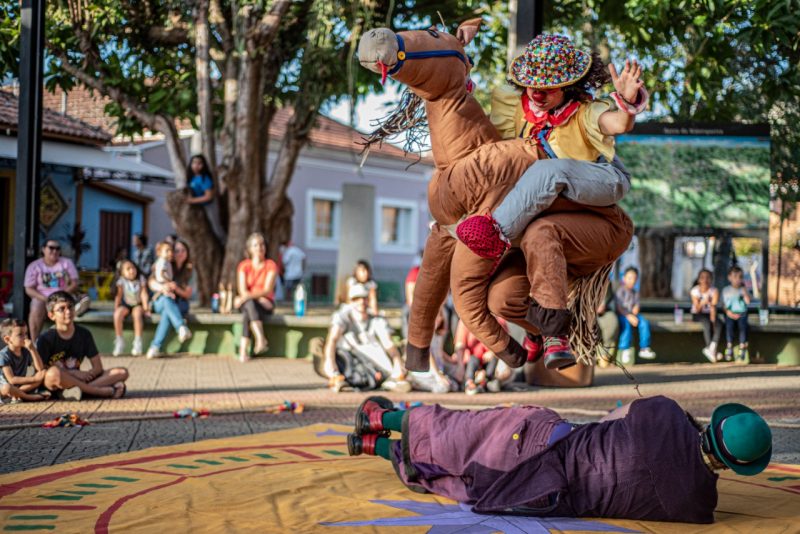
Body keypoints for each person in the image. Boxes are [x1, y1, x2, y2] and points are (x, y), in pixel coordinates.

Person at [450, 31, 645, 367]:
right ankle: (544, 333)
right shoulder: (518, 114)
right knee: (502, 299)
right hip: (554, 216)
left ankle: (495, 233)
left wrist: (626, 104)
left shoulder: (584, 112)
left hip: (602, 195)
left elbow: (616, 123)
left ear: (568, 85)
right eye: (532, 84)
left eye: (549, 86)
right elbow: (487, 141)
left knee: (549, 172)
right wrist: (456, 75)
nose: (538, 93)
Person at [347, 395, 772, 524]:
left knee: (454, 432)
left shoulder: (664, 414)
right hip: (535, 495)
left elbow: (614, 416)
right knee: (455, 479)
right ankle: (373, 447)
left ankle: (379, 417)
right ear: (735, 464)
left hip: (538, 442)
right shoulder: (698, 507)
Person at [37, 292, 128, 401]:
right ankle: (99, 391)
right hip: (58, 382)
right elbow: (41, 371)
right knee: (52, 373)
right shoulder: (45, 338)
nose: (68, 311)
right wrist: (74, 373)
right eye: (61, 309)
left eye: (70, 307)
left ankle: (79, 392)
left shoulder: (84, 334)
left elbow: (98, 367)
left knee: (121, 372)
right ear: (51, 315)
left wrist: (88, 374)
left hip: (81, 380)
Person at [322, 284, 410, 393]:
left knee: (404, 352)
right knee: (320, 346)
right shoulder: (342, 316)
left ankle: (389, 380)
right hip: (348, 360)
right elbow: (332, 339)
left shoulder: (377, 319)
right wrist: (330, 364)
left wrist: (397, 363)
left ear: (369, 300)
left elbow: (388, 344)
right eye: (356, 298)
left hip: (373, 362)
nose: (361, 302)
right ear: (350, 301)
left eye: (364, 298)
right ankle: (337, 378)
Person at [24, 239, 90, 341]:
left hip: (63, 296)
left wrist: (60, 296)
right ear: (43, 249)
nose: (54, 251)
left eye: (57, 248)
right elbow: (28, 289)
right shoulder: (34, 266)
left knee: (73, 303)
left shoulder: (67, 263)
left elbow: (74, 283)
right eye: (51, 248)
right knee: (36, 304)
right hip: (42, 298)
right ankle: (34, 343)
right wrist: (46, 299)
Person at [236, 232, 278, 362]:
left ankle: (243, 351)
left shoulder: (271, 265)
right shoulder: (244, 266)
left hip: (265, 304)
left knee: (248, 310)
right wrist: (256, 298)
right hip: (253, 302)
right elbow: (242, 290)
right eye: (255, 245)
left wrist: (250, 297)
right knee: (250, 305)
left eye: (262, 244)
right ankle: (261, 338)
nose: (259, 247)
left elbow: (267, 289)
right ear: (249, 249)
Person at [146, 242, 192, 359]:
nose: (179, 253)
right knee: (167, 302)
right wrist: (163, 287)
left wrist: (175, 288)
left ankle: (155, 347)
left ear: (187, 253)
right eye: (176, 250)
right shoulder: (164, 264)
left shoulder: (189, 269)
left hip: (180, 302)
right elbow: (151, 282)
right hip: (161, 300)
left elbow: (187, 294)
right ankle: (181, 327)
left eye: (183, 250)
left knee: (168, 311)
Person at [0, 319, 50, 402]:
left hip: (18, 386)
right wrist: (34, 379)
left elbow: (40, 368)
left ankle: (17, 394)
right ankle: (28, 397)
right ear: (8, 339)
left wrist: (32, 349)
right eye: (20, 335)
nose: (25, 337)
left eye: (26, 333)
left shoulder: (25, 351)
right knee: (7, 387)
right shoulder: (3, 355)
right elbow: (11, 379)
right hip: (4, 387)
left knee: (42, 373)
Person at [615, 267, 656, 363]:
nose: (632, 281)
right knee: (626, 325)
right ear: (624, 278)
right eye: (629, 278)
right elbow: (619, 308)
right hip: (623, 315)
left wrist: (635, 312)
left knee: (644, 323)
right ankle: (625, 348)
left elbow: (636, 306)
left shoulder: (635, 293)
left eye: (634, 278)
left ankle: (644, 348)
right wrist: (629, 316)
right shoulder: (620, 291)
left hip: (633, 315)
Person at [112, 260, 150, 357]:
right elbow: (119, 295)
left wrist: (146, 308)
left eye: (133, 268)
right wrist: (116, 308)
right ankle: (119, 341)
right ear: (122, 272)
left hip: (137, 304)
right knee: (117, 315)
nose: (131, 271)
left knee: (137, 314)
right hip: (126, 304)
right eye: (128, 269)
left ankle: (138, 342)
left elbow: (143, 294)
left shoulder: (140, 279)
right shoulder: (121, 281)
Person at [184, 154, 226, 240]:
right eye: (194, 163)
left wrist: (192, 200)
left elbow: (209, 196)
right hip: (199, 206)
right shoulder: (191, 178)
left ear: (203, 165)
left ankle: (224, 242)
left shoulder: (205, 179)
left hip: (210, 205)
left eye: (199, 163)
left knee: (215, 227)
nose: (196, 166)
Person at [691, 268, 724, 363]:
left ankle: (711, 348)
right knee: (706, 323)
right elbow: (697, 309)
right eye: (702, 278)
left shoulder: (714, 291)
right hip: (698, 314)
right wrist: (703, 302)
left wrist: (713, 318)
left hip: (710, 312)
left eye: (708, 277)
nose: (705, 280)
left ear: (711, 279)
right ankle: (710, 348)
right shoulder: (695, 291)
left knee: (718, 324)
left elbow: (713, 306)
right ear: (698, 280)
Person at [722, 266, 751, 363]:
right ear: (729, 277)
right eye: (735, 276)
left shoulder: (743, 290)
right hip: (730, 314)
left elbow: (747, 302)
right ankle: (729, 346)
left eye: (740, 277)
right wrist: (729, 313)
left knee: (743, 327)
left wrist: (745, 292)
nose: (737, 279)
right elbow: (725, 305)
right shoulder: (726, 290)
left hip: (742, 314)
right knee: (729, 327)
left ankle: (742, 348)